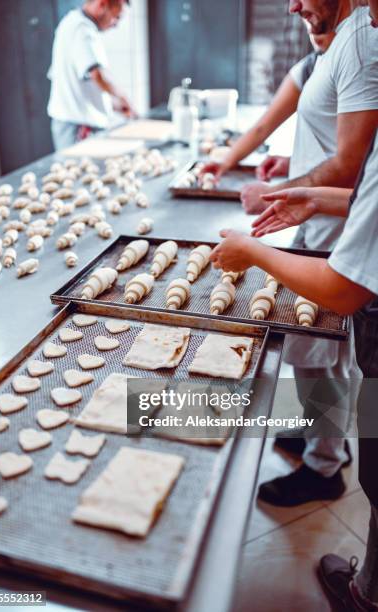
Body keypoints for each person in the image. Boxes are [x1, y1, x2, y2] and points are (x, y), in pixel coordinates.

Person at [239, 0, 378, 508]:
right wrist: (296, 178)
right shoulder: (343, 40)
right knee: (311, 355)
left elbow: (351, 164)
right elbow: (331, 142)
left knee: (321, 357)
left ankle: (325, 465)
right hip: (317, 222)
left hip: (334, 238)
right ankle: (319, 432)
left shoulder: (362, 41)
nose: (292, 5)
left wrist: (256, 245)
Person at [200, 32, 335, 182]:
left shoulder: (355, 67)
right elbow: (262, 128)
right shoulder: (308, 68)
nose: (312, 28)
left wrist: (276, 191)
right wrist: (225, 162)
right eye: (307, 18)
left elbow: (350, 164)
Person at [47, 0, 136, 151]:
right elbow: (98, 75)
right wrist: (124, 99)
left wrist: (113, 105)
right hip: (78, 126)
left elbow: (80, 82)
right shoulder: (81, 29)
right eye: (116, 17)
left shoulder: (73, 23)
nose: (115, 24)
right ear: (102, 4)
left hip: (73, 122)